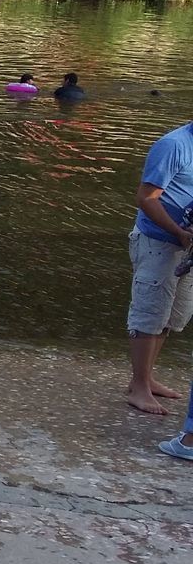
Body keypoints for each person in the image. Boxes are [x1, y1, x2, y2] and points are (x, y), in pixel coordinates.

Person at [126, 120, 193, 415]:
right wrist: (179, 232)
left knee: (171, 316)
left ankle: (147, 377)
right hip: (158, 241)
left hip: (187, 246)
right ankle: (137, 387)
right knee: (149, 313)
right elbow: (145, 198)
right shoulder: (174, 145)